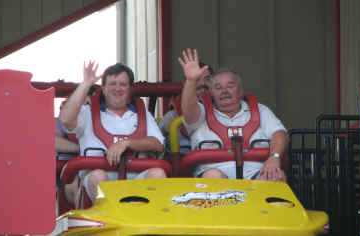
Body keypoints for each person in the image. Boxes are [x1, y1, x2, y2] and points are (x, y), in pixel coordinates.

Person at [59, 61, 166, 203]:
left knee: (158, 174)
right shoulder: (87, 113)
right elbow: (66, 119)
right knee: (98, 176)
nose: (118, 88)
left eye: (123, 84)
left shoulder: (142, 114)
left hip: (136, 181)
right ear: (103, 89)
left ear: (130, 89)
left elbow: (158, 143)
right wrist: (85, 84)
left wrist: (126, 143)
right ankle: (113, 217)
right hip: (98, 185)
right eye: (112, 84)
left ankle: (143, 221)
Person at [178, 48, 289, 181]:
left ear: (240, 90)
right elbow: (188, 110)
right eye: (218, 88)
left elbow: (279, 134)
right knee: (213, 176)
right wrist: (191, 81)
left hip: (256, 174)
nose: (224, 91)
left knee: (276, 176)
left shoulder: (260, 110)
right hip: (214, 176)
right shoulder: (200, 113)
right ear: (211, 93)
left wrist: (274, 158)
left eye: (230, 86)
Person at [158, 62, 213, 154]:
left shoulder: (222, 112)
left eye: (207, 79)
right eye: (197, 79)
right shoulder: (172, 117)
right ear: (187, 85)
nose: (202, 83)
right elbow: (156, 149)